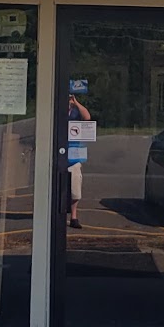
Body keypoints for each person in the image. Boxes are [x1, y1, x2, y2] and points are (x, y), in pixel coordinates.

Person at [66, 94, 91, 230]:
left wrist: (76, 103)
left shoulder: (76, 112)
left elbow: (87, 117)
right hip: (60, 153)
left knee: (75, 189)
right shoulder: (57, 110)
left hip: (74, 155)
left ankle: (73, 217)